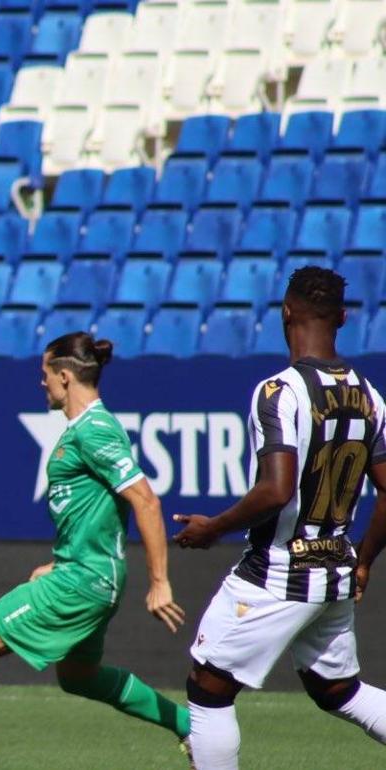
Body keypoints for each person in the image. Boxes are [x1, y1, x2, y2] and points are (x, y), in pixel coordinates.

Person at [0, 332, 190, 770]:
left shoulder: (94, 431)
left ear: (64, 376)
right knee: (80, 677)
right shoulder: (85, 430)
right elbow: (98, 510)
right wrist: (59, 562)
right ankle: (190, 726)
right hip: (85, 574)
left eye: (44, 375)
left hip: (84, 581)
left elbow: (146, 500)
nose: (41, 383)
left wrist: (160, 582)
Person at [174, 267, 386, 768]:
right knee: (336, 689)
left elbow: (275, 490)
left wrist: (212, 528)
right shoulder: (370, 395)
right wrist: (365, 560)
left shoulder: (280, 391)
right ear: (343, 317)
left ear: (286, 311)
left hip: (278, 571)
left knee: (208, 688)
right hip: (335, 567)